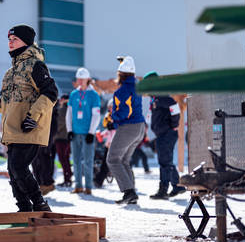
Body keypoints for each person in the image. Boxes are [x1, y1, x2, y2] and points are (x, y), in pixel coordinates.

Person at [0, 25, 57, 212]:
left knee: (19, 168)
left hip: (29, 128)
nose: (10, 42)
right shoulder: (11, 73)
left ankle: (40, 204)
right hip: (13, 130)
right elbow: (6, 102)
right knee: (14, 172)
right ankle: (24, 208)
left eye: (14, 39)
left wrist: (33, 117)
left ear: (26, 41)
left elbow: (51, 93)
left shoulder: (35, 65)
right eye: (9, 39)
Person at [106, 56, 146, 204]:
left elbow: (124, 112)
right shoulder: (137, 86)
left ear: (120, 74)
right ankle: (132, 194)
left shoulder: (122, 91)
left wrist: (113, 118)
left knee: (113, 159)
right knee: (123, 160)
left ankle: (129, 192)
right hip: (139, 128)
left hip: (129, 127)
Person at [144, 71, 185, 199]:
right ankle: (177, 186)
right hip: (162, 133)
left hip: (167, 133)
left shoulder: (161, 96)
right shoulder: (155, 97)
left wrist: (173, 124)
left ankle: (163, 190)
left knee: (164, 162)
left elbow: (175, 107)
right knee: (166, 161)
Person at [66, 68, 101, 195]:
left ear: (88, 79)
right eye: (78, 79)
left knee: (88, 160)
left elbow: (96, 115)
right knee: (75, 160)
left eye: (82, 79)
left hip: (87, 133)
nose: (79, 81)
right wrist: (69, 130)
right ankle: (78, 185)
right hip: (75, 132)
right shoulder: (74, 94)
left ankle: (88, 186)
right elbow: (69, 114)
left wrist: (92, 132)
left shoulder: (94, 95)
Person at [32, 103, 59, 195]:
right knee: (35, 161)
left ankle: (47, 183)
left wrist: (48, 140)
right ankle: (40, 183)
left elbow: (53, 128)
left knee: (44, 159)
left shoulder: (51, 108)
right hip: (36, 134)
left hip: (46, 136)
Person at [54, 95, 72, 187]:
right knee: (66, 158)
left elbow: (59, 123)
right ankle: (68, 178)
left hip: (61, 137)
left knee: (63, 159)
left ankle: (67, 179)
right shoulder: (69, 109)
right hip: (67, 137)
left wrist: (54, 132)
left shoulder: (62, 110)